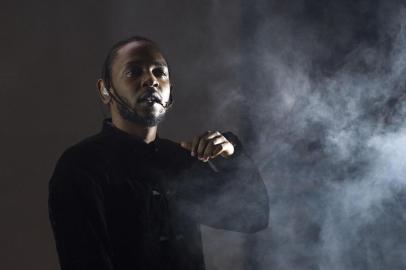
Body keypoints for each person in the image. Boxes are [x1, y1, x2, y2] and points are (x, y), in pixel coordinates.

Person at [48, 36, 269, 270]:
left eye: (159, 73)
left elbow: (253, 216)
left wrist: (231, 155)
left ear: (170, 89)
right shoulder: (81, 166)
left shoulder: (180, 161)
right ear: (105, 91)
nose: (150, 81)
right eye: (133, 72)